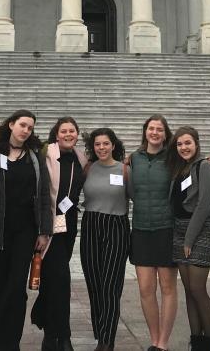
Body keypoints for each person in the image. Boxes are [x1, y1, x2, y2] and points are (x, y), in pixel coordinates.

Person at [0, 109, 53, 351]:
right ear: (11, 124)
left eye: (30, 127)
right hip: (0, 231)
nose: (26, 130)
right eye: (22, 125)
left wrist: (45, 231)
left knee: (16, 288)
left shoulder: (34, 156)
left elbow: (44, 194)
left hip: (26, 231)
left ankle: (12, 343)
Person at [31, 117, 88, 351]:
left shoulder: (80, 158)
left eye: (72, 131)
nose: (68, 134)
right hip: (47, 223)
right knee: (61, 279)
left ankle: (48, 328)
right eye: (63, 131)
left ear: (76, 134)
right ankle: (61, 335)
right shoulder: (45, 155)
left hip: (68, 224)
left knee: (53, 279)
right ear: (56, 134)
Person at [167, 126, 210, 351]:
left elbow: (203, 205)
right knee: (188, 290)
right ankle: (196, 341)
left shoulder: (204, 166)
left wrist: (189, 239)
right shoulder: (179, 168)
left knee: (198, 288)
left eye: (187, 143)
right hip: (179, 230)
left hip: (200, 232)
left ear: (196, 143)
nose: (183, 148)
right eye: (179, 144)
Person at [128, 115, 177, 351]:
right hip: (140, 229)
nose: (155, 132)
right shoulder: (134, 158)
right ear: (145, 131)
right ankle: (154, 338)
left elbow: (192, 164)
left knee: (168, 287)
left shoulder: (173, 158)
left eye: (159, 129)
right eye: (151, 128)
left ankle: (163, 343)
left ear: (166, 134)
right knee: (145, 289)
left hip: (166, 229)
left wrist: (204, 162)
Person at [80, 128, 131, 351]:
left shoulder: (125, 170)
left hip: (116, 226)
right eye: (97, 144)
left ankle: (106, 341)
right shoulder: (88, 168)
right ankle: (100, 332)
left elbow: (138, 196)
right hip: (91, 224)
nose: (101, 148)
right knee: (94, 283)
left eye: (105, 143)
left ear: (113, 145)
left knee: (110, 285)